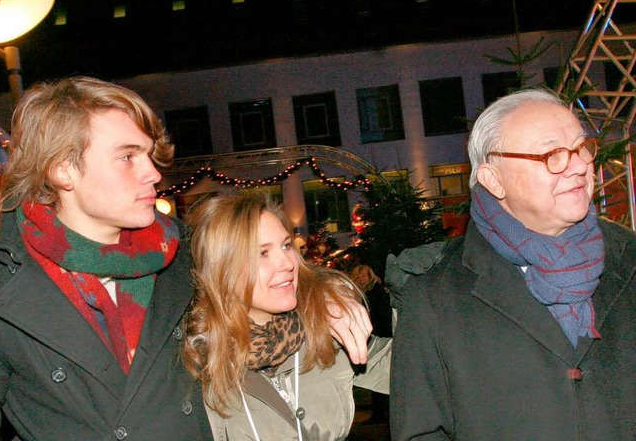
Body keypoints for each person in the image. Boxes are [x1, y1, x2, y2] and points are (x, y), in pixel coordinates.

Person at [0, 75, 373, 440]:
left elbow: (269, 274)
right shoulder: (7, 281)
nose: (153, 173)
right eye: (127, 156)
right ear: (63, 169)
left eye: (148, 155)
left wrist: (321, 292)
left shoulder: (186, 253)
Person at [387, 87, 636, 440]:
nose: (580, 165)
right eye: (553, 154)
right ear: (493, 179)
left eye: (581, 148)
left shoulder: (630, 260)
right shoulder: (434, 297)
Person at [182, 190, 392, 441]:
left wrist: (425, 283)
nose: (287, 263)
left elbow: (422, 366)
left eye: (285, 245)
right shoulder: (195, 359)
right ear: (221, 269)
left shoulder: (325, 330)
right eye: (262, 253)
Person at [350, 264, 392, 425]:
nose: (361, 279)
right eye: (358, 276)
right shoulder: (364, 293)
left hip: (380, 338)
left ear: (370, 276)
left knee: (379, 374)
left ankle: (382, 412)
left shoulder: (376, 292)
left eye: (363, 276)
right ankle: (380, 412)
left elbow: (381, 316)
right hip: (374, 337)